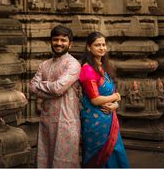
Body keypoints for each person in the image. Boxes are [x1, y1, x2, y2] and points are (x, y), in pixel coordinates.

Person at [29, 25, 81, 168]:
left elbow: (58, 88)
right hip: (47, 119)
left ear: (70, 44)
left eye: (63, 40)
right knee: (45, 157)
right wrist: (53, 89)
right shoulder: (44, 65)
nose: (58, 43)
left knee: (65, 160)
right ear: (51, 42)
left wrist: (46, 87)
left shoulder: (73, 64)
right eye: (55, 39)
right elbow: (32, 87)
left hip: (67, 120)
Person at [79, 32, 130, 168]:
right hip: (95, 121)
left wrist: (115, 105)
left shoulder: (103, 67)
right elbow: (95, 100)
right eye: (97, 45)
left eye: (103, 45)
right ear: (89, 47)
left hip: (109, 118)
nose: (102, 48)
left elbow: (108, 92)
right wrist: (116, 97)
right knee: (100, 156)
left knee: (115, 151)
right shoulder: (87, 70)